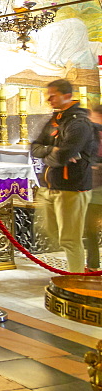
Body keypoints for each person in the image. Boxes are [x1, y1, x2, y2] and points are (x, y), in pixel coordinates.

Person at [31, 79, 98, 273]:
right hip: (52, 186)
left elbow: (62, 155)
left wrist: (52, 155)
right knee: (50, 230)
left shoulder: (78, 122)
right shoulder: (56, 119)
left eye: (53, 95)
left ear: (66, 95)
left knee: (70, 238)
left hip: (72, 187)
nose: (48, 99)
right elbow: (35, 147)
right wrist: (52, 151)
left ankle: (75, 278)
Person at [84, 106, 102, 272]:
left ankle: (93, 264)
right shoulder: (93, 133)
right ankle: (93, 264)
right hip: (94, 189)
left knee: (91, 228)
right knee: (90, 229)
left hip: (97, 190)